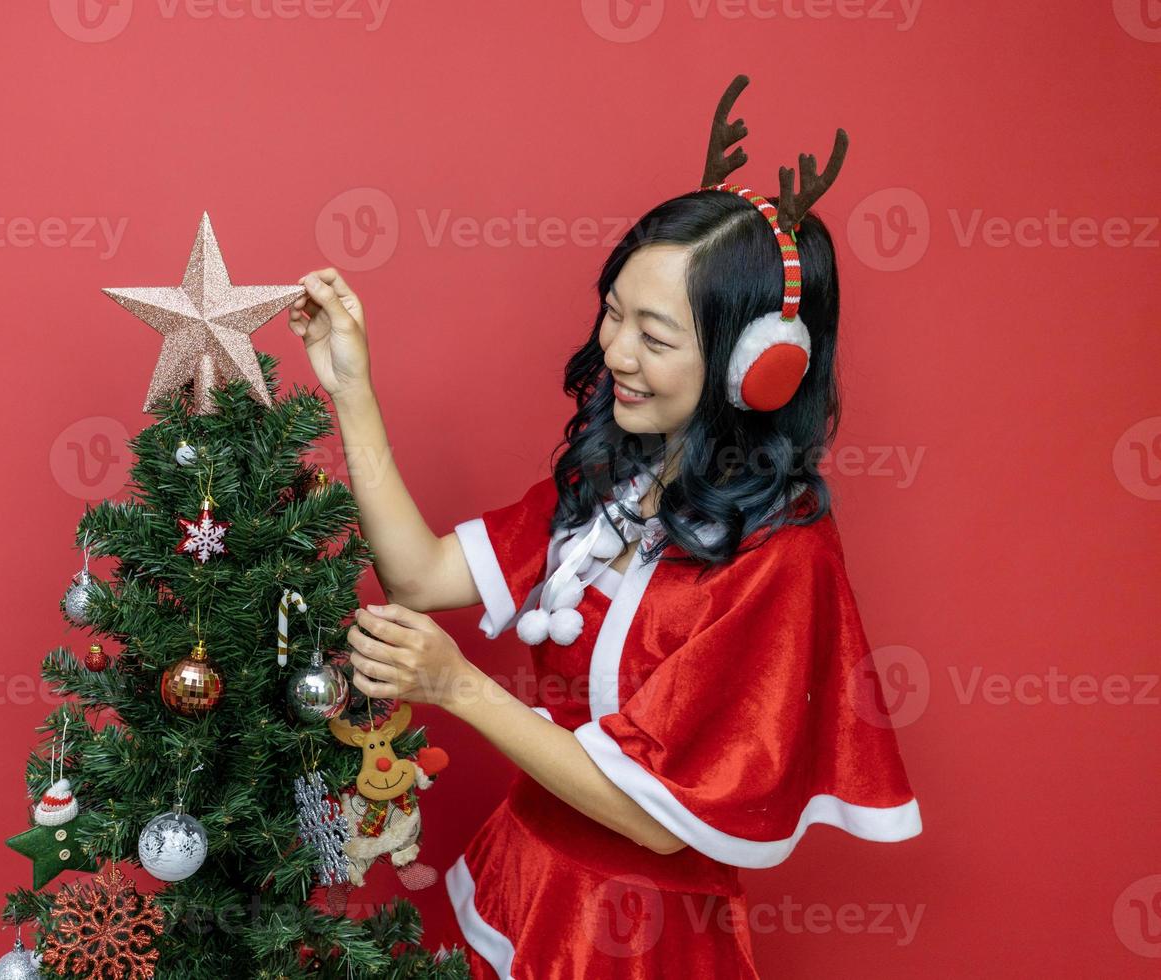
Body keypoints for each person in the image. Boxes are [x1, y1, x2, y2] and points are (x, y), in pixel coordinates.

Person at [287, 76, 921, 979]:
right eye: (614, 312)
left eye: (655, 336)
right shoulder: (618, 478)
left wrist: (459, 688)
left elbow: (657, 819)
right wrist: (350, 386)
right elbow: (422, 576)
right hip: (525, 883)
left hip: (638, 939)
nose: (616, 351)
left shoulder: (785, 558)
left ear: (760, 368)